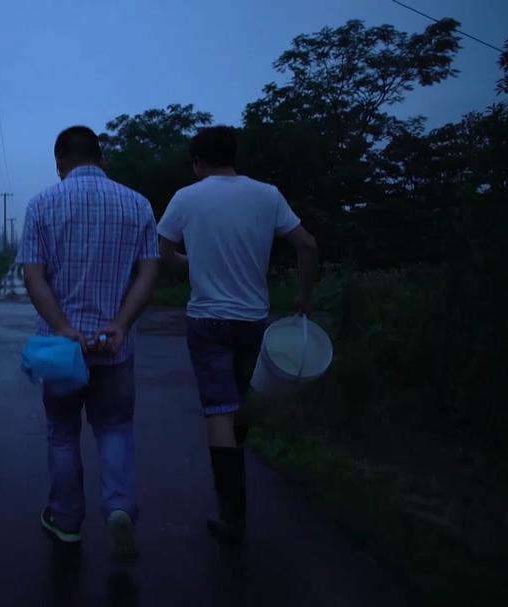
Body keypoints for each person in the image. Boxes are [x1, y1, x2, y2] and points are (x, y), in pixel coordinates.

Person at [156, 126, 318, 545]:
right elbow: (307, 245)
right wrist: (303, 296)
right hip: (252, 319)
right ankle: (235, 455)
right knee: (239, 400)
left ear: (198, 162)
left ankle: (232, 515)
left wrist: (193, 264)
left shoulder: (186, 197)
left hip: (207, 319)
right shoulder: (267, 195)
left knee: (218, 411)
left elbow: (162, 251)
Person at [17, 125, 160, 560]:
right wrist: (120, 324)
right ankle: (118, 507)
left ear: (59, 163)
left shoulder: (42, 204)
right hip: (115, 348)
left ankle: (66, 521)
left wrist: (62, 326)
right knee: (115, 427)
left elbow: (33, 276)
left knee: (63, 434)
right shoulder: (138, 204)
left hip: (63, 351)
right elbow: (148, 273)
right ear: (102, 159)